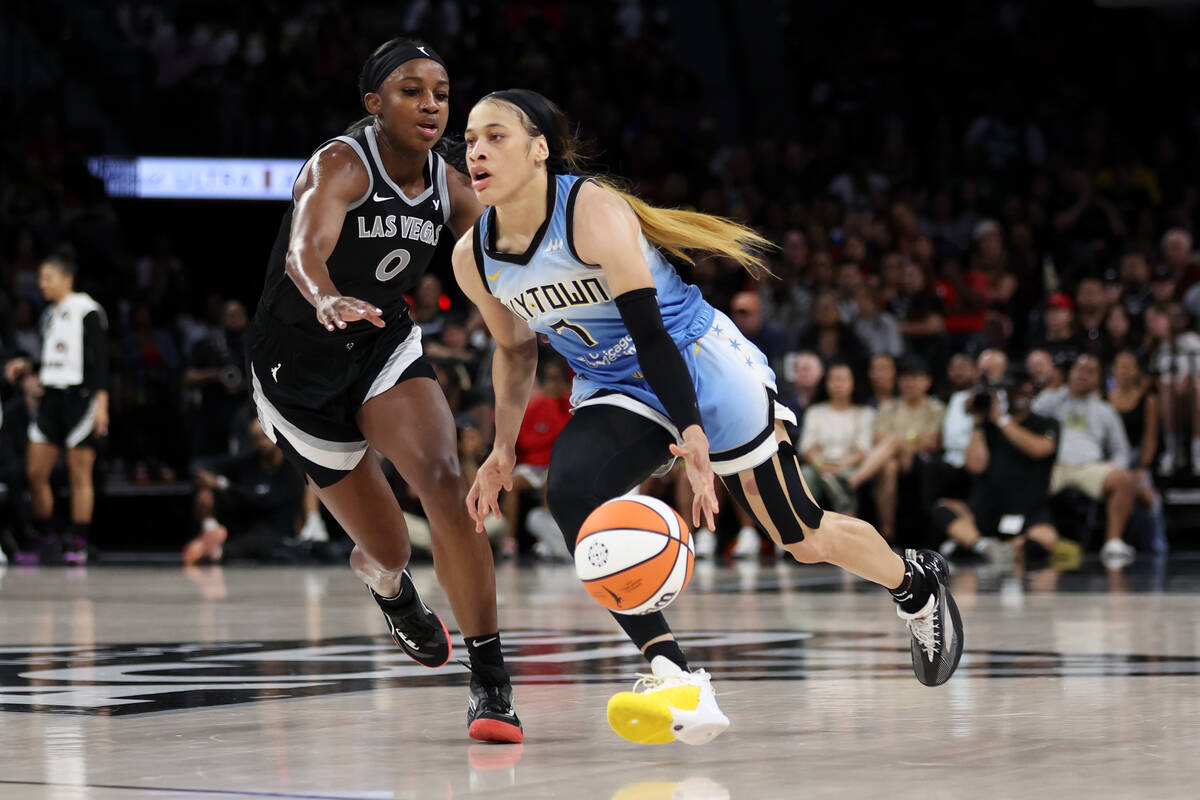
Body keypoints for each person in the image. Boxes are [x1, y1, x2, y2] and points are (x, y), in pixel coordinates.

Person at [452, 89, 964, 746]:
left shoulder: (591, 214)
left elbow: (652, 333)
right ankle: (675, 673)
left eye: (494, 136)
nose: (477, 151)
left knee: (802, 537)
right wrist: (502, 449)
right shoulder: (475, 256)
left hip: (698, 362)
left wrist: (692, 436)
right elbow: (516, 349)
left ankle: (913, 582)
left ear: (540, 149)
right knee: (572, 491)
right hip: (615, 382)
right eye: (470, 141)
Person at [241, 38, 520, 742]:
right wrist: (325, 294)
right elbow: (307, 248)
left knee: (443, 478)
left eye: (441, 91)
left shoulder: (450, 183)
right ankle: (391, 588)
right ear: (374, 103)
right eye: (410, 89)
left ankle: (489, 681)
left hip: (380, 345)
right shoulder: (340, 162)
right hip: (296, 368)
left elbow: (503, 256)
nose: (430, 103)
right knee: (390, 548)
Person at [3, 247, 108, 565]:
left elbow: (100, 359)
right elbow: (52, 357)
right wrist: (26, 365)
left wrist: (101, 401)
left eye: (47, 278)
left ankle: (78, 541)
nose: (41, 284)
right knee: (35, 471)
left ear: (66, 278)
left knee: (80, 475)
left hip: (80, 398)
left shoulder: (87, 309)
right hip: (50, 398)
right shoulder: (48, 314)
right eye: (40, 278)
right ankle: (47, 536)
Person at [935, 370, 1062, 564]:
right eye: (1015, 387)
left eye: (1025, 386)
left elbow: (1038, 449)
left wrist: (1002, 420)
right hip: (986, 507)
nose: (1021, 391)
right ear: (1007, 392)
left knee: (1046, 538)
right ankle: (981, 545)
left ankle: (998, 547)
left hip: (1028, 509)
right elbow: (974, 466)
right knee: (943, 509)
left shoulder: (1046, 423)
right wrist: (978, 423)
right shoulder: (987, 426)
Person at [1031, 354, 1144, 566]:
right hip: (1054, 466)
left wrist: (1115, 468)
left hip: (1089, 468)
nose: (1084, 375)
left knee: (1125, 479)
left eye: (1091, 371)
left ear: (1099, 379)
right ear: (1070, 373)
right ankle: (1022, 535)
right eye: (1079, 369)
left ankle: (1113, 542)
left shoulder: (1106, 410)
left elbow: (1121, 451)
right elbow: (1028, 423)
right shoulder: (1049, 400)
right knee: (1024, 476)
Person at [182, 419, 306, 564]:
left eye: (265, 436)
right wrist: (206, 486)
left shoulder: (292, 468)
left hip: (276, 528)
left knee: (259, 540)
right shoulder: (250, 460)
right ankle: (209, 530)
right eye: (256, 439)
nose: (262, 443)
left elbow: (264, 501)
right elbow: (199, 464)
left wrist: (222, 484)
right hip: (248, 520)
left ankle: (215, 552)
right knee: (206, 492)